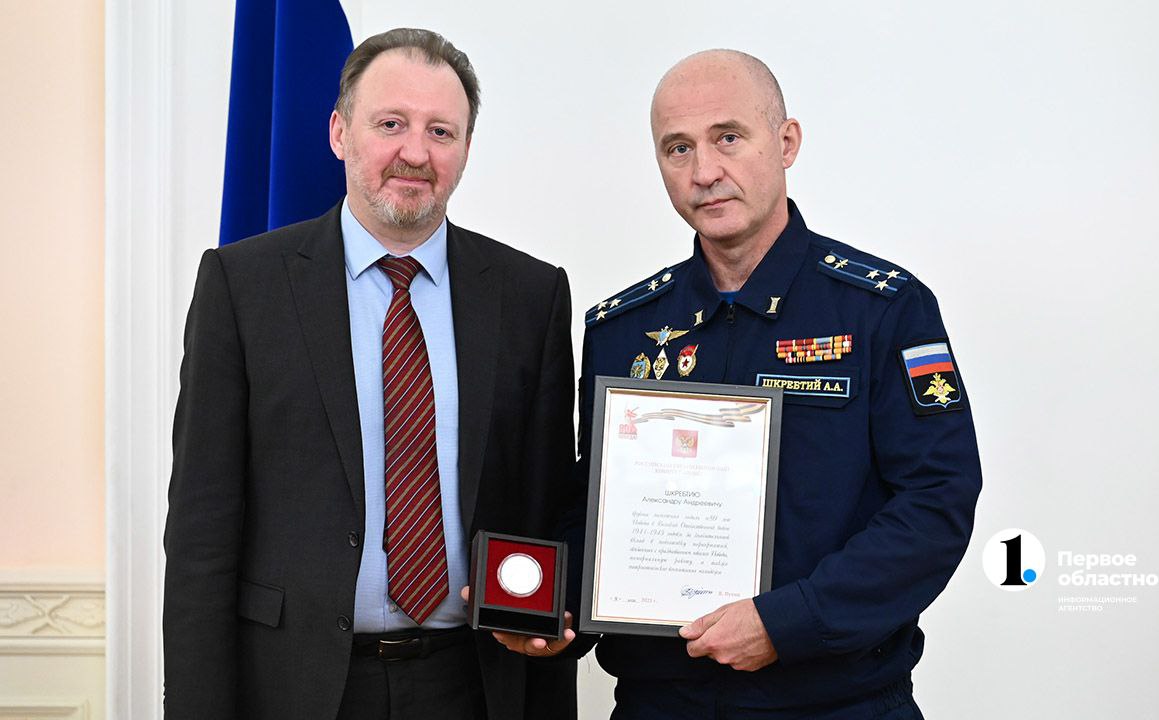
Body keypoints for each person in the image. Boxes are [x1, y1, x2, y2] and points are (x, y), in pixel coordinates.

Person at [163, 28, 576, 720]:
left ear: (466, 149)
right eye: (391, 124)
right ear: (339, 133)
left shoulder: (530, 297)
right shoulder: (244, 287)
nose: (415, 152)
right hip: (296, 687)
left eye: (441, 131)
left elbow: (549, 502)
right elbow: (202, 531)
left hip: (473, 684)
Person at [558, 50, 983, 719]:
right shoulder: (622, 329)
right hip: (660, 703)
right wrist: (556, 608)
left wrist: (789, 623)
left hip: (836, 703)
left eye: (728, 137)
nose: (704, 172)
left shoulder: (882, 310)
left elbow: (937, 499)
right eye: (677, 148)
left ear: (786, 143)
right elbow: (597, 505)